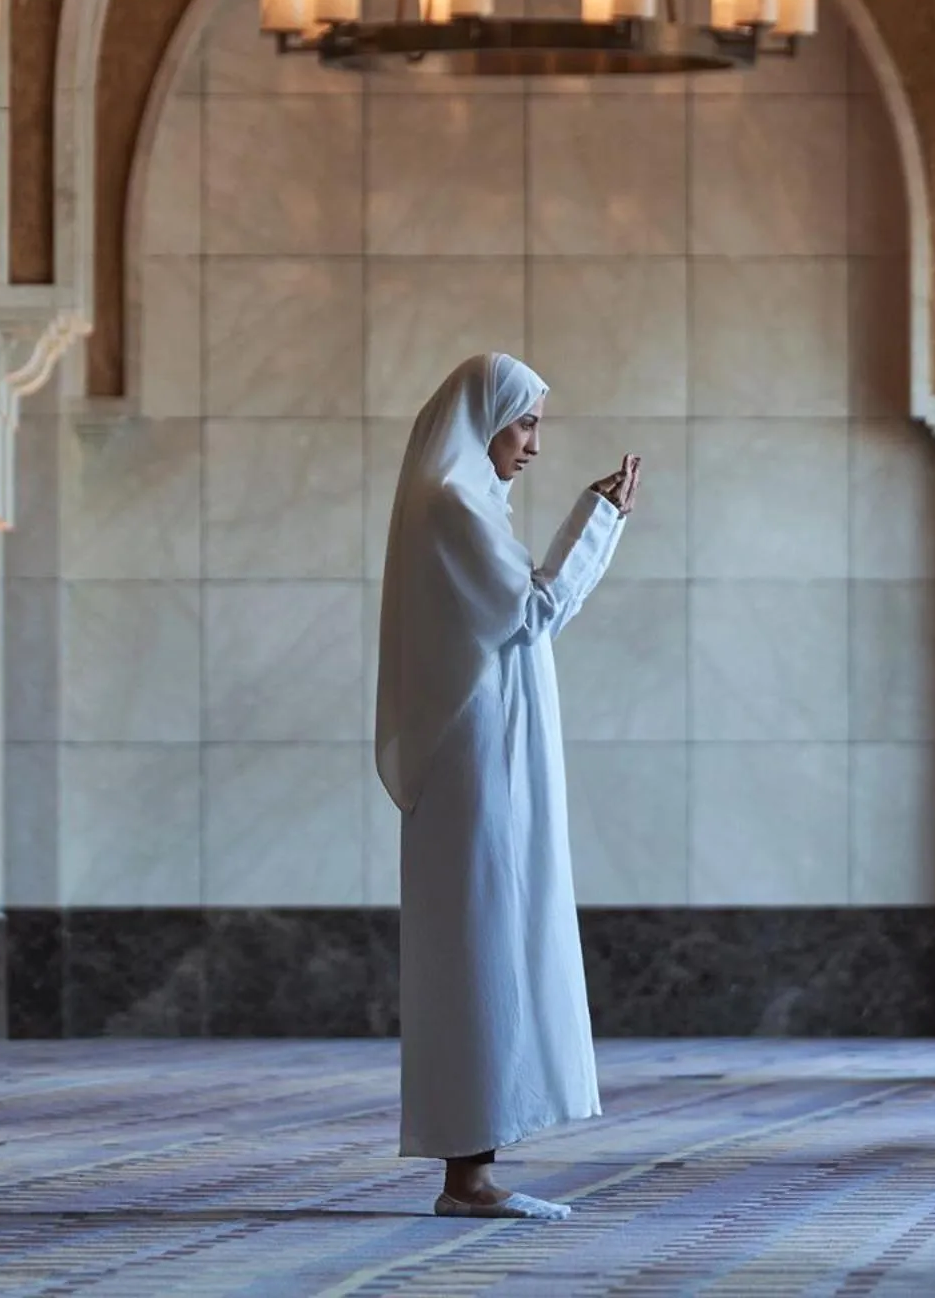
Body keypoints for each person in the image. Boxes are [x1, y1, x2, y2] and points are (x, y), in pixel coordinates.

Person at [375, 351, 641, 1221]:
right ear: (485, 417)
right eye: (523, 422)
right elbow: (533, 613)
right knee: (481, 942)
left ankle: (474, 1168)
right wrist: (599, 519)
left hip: (490, 752)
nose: (532, 444)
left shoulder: (468, 501)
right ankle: (468, 1175)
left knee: (490, 940)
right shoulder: (454, 504)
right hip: (477, 760)